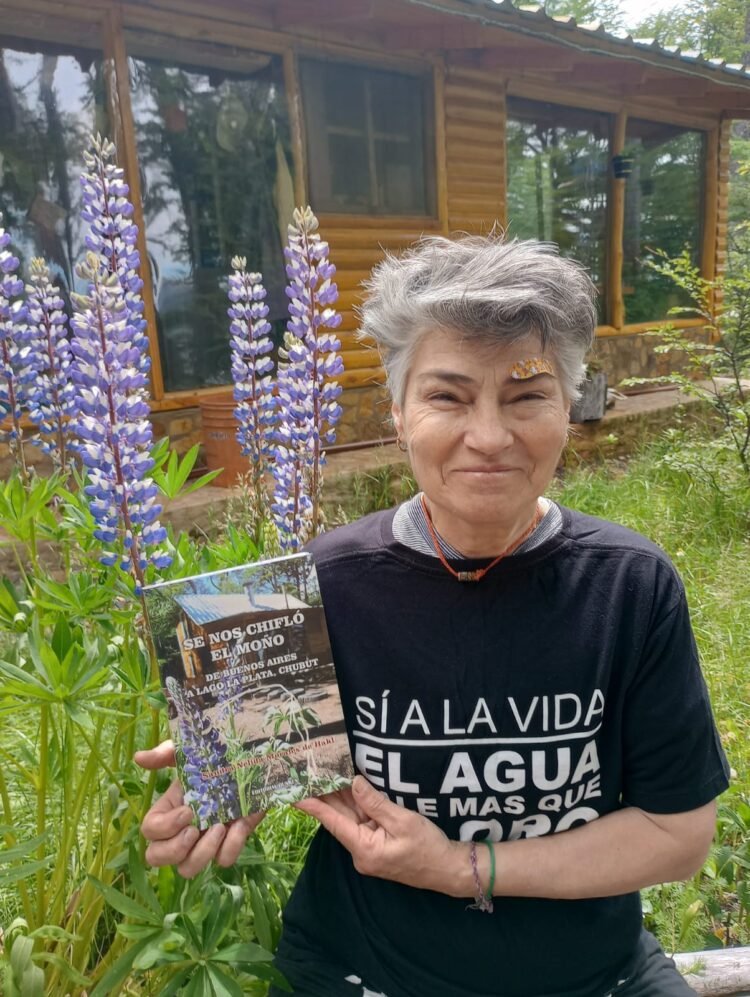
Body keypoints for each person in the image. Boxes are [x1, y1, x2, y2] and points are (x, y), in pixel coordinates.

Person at [138, 236, 730, 997]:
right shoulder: (322, 579)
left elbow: (678, 835)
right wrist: (221, 768)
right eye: (448, 396)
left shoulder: (631, 585)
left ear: (569, 405)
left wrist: (459, 867)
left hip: (593, 973)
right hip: (362, 969)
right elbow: (250, 748)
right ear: (397, 413)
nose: (488, 437)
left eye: (525, 396)